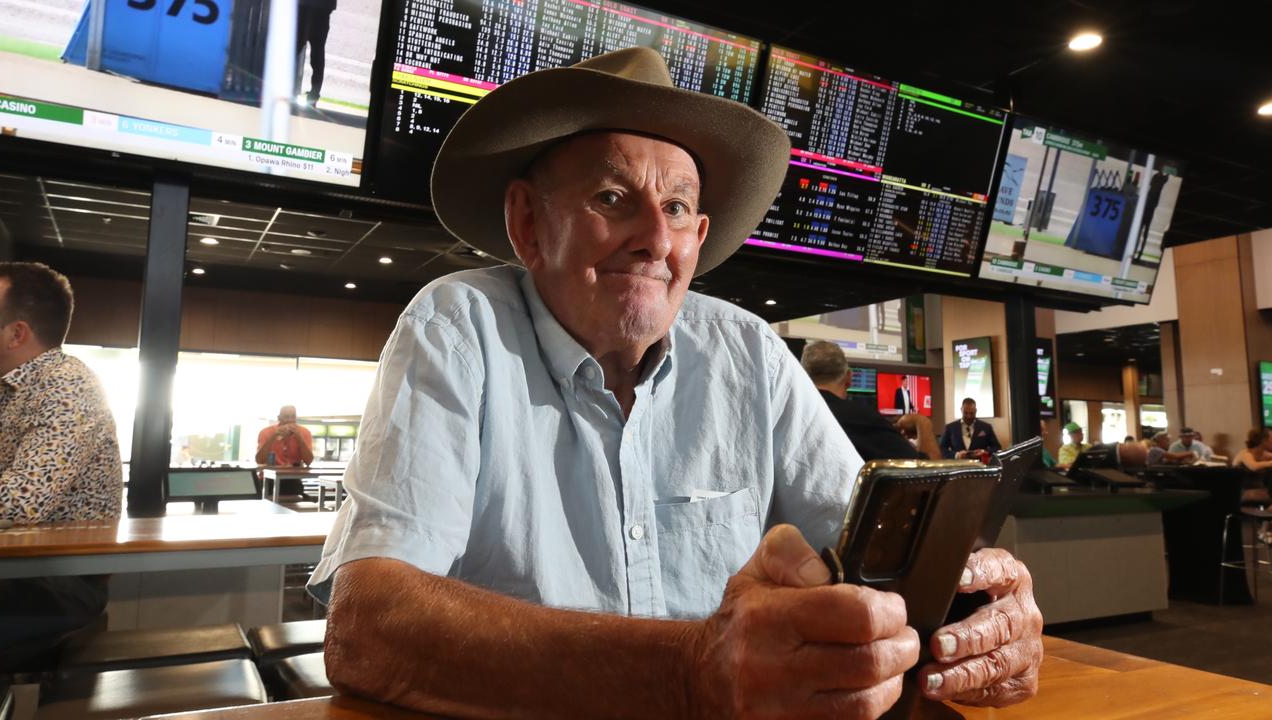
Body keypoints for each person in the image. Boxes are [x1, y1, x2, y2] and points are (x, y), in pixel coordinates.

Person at [310, 48, 1042, 718]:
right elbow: (368, 627)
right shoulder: (457, 326)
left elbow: (874, 558)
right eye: (610, 198)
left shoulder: (749, 351)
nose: (655, 239)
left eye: (677, 207)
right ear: (528, 224)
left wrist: (970, 616)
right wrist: (689, 670)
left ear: (699, 234)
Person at [0, 262, 123, 669]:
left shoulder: (66, 385)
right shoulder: (3, 388)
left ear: (17, 333)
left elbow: (19, 502)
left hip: (57, 580)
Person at [801, 341, 922, 462]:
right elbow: (927, 471)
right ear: (849, 377)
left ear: (802, 375)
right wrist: (922, 423)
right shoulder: (864, 419)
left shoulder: (788, 414)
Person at [295, 0, 337, 106]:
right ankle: (314, 95)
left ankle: (282, 88)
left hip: (305, 8)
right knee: (318, 54)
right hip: (322, 10)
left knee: (294, 50)